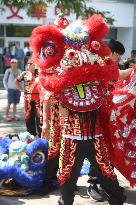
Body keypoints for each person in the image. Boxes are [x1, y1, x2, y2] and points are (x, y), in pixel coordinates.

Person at [87, 39, 133, 202]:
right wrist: (133, 69)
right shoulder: (98, 64)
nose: (119, 60)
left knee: (109, 150)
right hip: (96, 115)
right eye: (118, 57)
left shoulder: (111, 65)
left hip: (108, 116)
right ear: (111, 52)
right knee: (98, 151)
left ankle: (108, 183)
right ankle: (93, 184)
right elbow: (119, 75)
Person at [15, 57, 42, 137]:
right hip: (28, 100)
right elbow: (16, 81)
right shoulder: (24, 73)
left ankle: (41, 135)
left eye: (31, 64)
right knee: (28, 117)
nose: (29, 65)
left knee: (39, 117)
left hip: (38, 99)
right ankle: (31, 135)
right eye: (28, 63)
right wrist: (21, 89)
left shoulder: (40, 73)